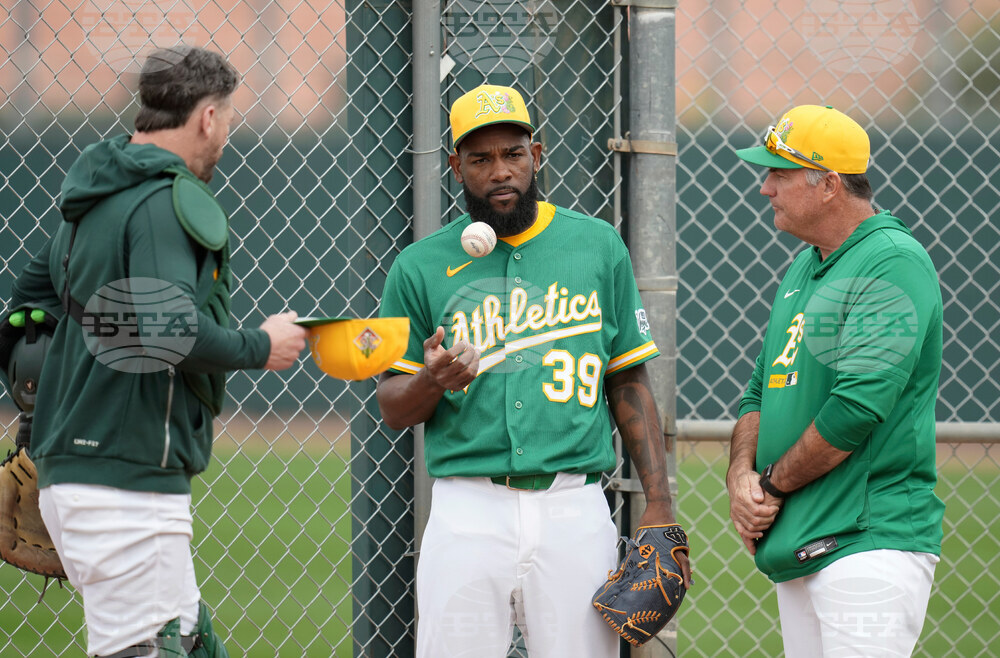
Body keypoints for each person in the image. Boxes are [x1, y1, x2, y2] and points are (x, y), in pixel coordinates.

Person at [3, 45, 308, 657]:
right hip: (123, 484)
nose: (225, 133)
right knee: (143, 651)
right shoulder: (164, 202)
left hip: (82, 470)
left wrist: (49, 419)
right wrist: (261, 345)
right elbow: (168, 331)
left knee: (188, 642)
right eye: (226, 117)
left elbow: (24, 311)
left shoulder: (89, 200)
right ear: (206, 118)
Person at [376, 83, 691, 657]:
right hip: (467, 507)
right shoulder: (418, 267)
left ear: (537, 154)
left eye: (513, 154)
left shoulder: (596, 247)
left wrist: (659, 503)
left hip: (572, 505)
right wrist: (432, 381)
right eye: (480, 158)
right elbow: (392, 407)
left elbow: (627, 380)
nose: (500, 172)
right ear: (456, 166)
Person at [726, 104, 945, 657]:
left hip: (867, 542)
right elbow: (760, 390)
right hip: (803, 536)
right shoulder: (807, 264)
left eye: (779, 172)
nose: (765, 187)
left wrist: (770, 487)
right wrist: (740, 477)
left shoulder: (891, 262)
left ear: (827, 184)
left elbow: (856, 409)